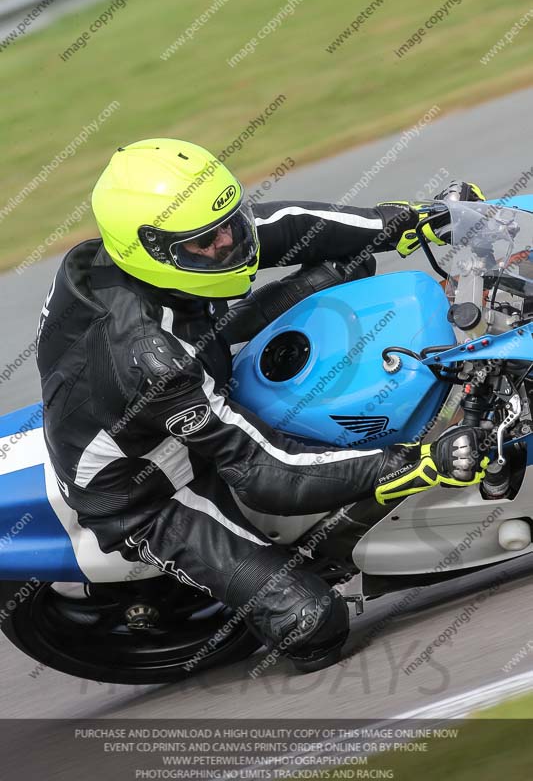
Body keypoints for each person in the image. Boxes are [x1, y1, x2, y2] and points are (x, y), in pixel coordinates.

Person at [36, 139, 488, 672]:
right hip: (149, 489)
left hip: (194, 361)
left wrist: (411, 221)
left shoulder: (130, 254)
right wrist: (420, 464)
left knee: (345, 263)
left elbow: (284, 225)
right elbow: (263, 472)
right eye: (207, 241)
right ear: (151, 250)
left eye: (229, 222)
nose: (229, 242)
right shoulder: (149, 360)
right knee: (312, 623)